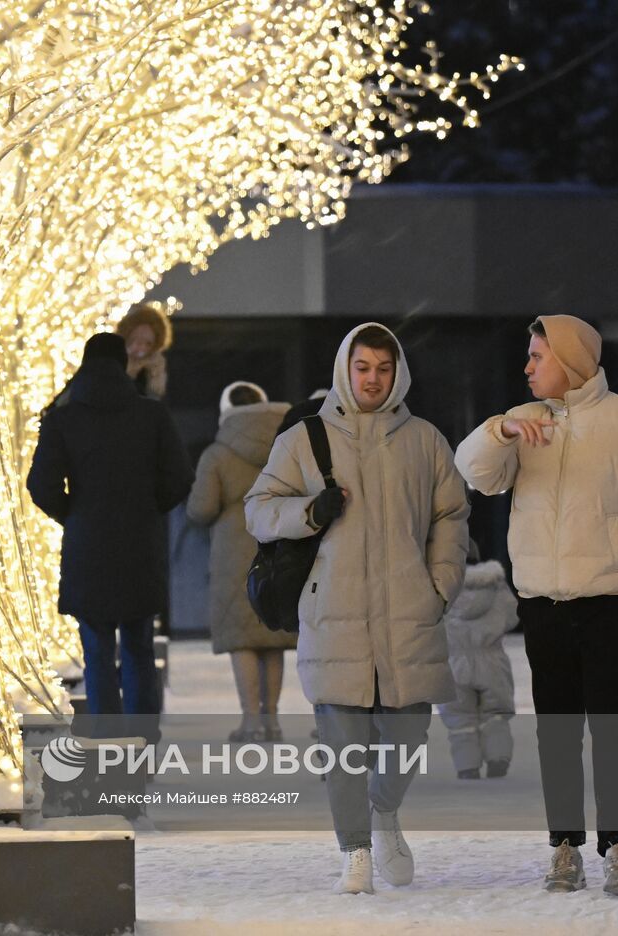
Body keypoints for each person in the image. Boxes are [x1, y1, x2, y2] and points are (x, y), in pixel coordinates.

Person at [454, 314, 618, 898]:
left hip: (611, 604)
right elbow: (476, 474)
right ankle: (563, 848)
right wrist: (502, 433)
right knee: (557, 733)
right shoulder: (522, 422)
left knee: (613, 731)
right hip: (544, 603)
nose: (527, 367)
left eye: (537, 356)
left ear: (569, 361)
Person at [246, 323, 469, 895]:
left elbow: (450, 516)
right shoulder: (304, 437)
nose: (372, 379)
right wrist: (311, 514)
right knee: (342, 743)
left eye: (383, 369)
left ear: (398, 374)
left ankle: (384, 813)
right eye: (363, 367)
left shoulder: (424, 440)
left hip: (408, 613)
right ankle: (356, 851)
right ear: (346, 368)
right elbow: (259, 509)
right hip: (333, 610)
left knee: (408, 736)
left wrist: (440, 584)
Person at [27, 333, 193, 723]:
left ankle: (109, 748)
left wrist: (73, 513)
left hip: (88, 544)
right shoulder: (151, 415)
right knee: (139, 648)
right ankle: (143, 747)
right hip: (139, 543)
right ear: (122, 364)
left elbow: (41, 485)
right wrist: (151, 508)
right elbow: (180, 477)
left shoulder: (63, 418)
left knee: (97, 651)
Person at [186, 382, 295, 743]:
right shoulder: (288, 445)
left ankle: (251, 721)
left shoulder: (217, 454)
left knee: (243, 640)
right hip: (277, 545)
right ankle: (273, 720)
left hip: (234, 552)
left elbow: (201, 509)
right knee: (272, 638)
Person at [437, 540, 517, 780]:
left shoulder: (442, 586)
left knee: (460, 720)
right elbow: (513, 616)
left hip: (454, 663)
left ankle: (467, 766)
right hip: (492, 660)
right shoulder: (495, 584)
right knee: (496, 714)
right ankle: (498, 758)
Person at [115, 301, 171, 399]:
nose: (141, 348)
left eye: (148, 344)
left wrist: (155, 375)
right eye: (136, 341)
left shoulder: (156, 365)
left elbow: (156, 398)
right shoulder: (114, 363)